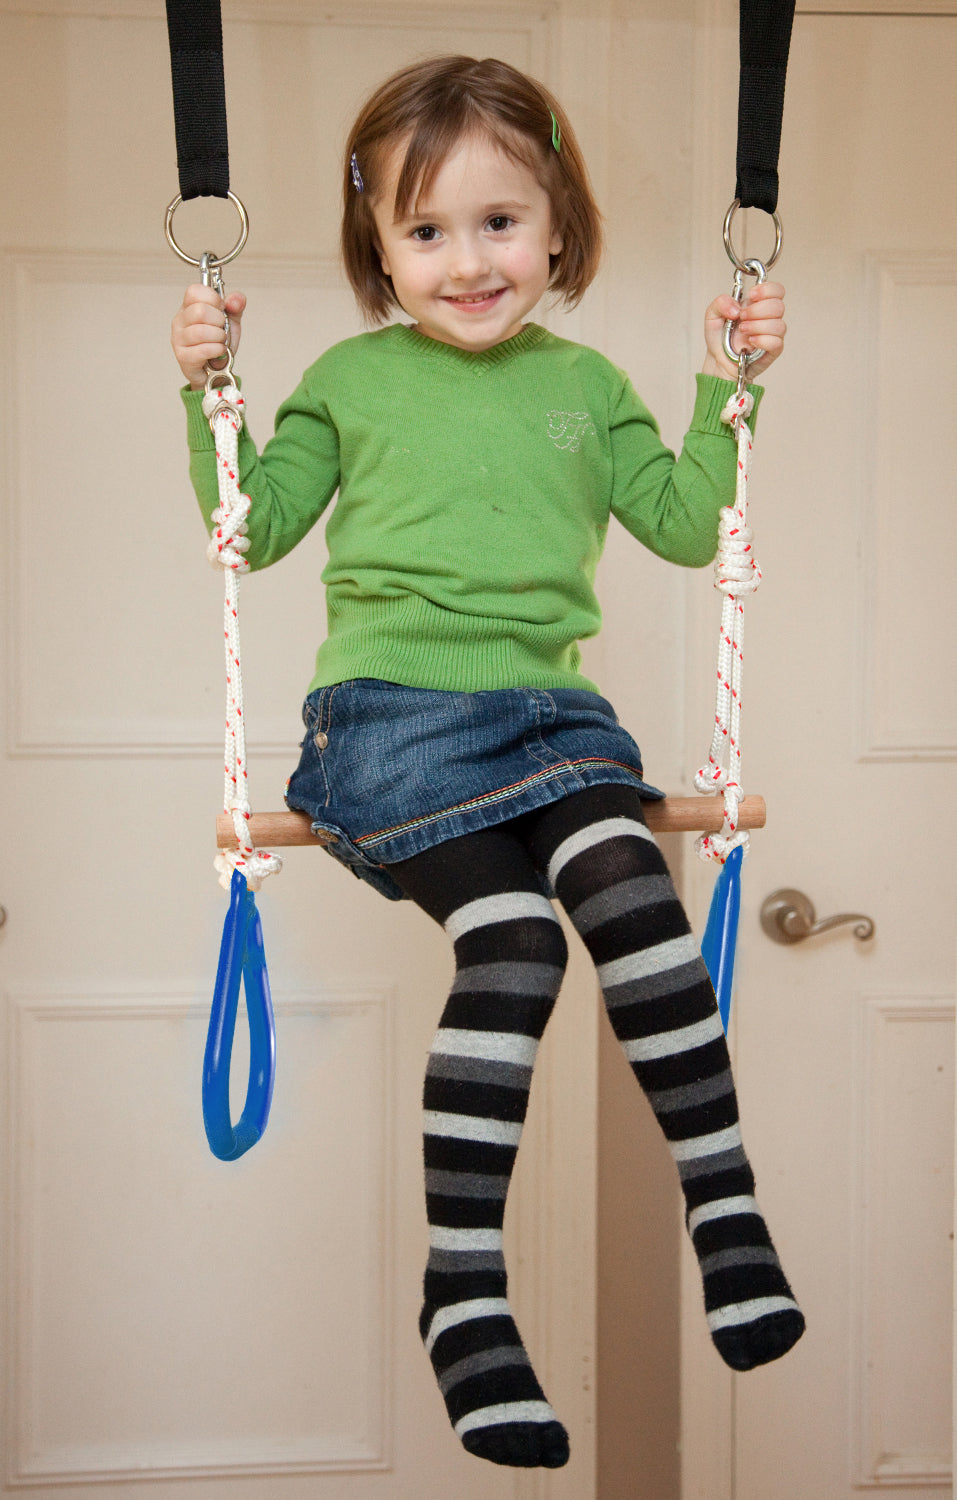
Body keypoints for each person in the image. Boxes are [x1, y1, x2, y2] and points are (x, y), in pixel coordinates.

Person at [172, 54, 803, 1472]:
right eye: (425, 231)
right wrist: (210, 396)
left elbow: (689, 524)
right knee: (516, 946)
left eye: (499, 223)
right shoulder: (347, 380)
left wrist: (726, 391)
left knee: (626, 893)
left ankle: (722, 1203)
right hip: (388, 729)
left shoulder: (587, 387)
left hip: (554, 728)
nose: (467, 263)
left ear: (559, 228)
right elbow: (250, 532)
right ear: (375, 248)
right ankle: (464, 1295)